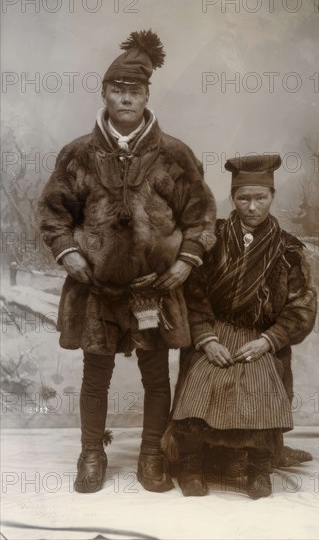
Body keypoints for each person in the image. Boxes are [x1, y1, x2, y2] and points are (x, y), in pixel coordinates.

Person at [37, 30, 216, 494]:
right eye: (117, 89)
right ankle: (91, 454)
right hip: (96, 289)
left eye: (134, 91)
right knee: (95, 376)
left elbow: (201, 216)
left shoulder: (174, 154)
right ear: (104, 93)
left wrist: (186, 261)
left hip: (153, 289)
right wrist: (69, 252)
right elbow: (53, 213)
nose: (125, 98)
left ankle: (153, 455)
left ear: (146, 96)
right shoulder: (78, 153)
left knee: (156, 377)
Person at [162, 154, 317, 499]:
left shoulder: (288, 250)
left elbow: (301, 309)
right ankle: (190, 465)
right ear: (232, 199)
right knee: (202, 380)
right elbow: (192, 293)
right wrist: (205, 338)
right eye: (243, 198)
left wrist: (268, 341)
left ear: (272, 197)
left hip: (259, 338)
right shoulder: (210, 239)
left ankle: (258, 468)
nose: (252, 207)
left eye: (260, 198)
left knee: (261, 379)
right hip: (213, 333)